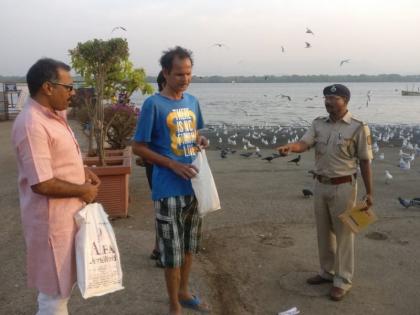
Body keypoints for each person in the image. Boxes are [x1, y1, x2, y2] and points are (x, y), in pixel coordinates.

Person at [11, 58, 100, 314]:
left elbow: (55, 161)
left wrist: (82, 170)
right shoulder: (32, 125)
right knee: (54, 295)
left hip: (67, 219)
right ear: (48, 87)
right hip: (51, 224)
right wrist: (83, 190)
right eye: (68, 87)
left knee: (62, 289)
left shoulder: (54, 117)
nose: (72, 93)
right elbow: (42, 182)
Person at [132, 46, 210, 315]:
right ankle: (174, 305)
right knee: (171, 253)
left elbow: (194, 132)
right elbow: (138, 147)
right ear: (165, 73)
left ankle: (185, 291)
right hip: (167, 190)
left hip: (195, 187)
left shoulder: (192, 101)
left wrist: (200, 140)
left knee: (190, 246)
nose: (185, 78)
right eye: (179, 74)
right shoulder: (153, 104)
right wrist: (171, 164)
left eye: (188, 73)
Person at [277, 84, 373, 301]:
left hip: (344, 186)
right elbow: (304, 143)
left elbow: (365, 161)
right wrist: (290, 147)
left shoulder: (358, 127)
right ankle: (327, 272)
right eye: (326, 98)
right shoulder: (318, 124)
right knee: (323, 232)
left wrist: (370, 193)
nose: (328, 102)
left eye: (334, 98)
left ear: (345, 100)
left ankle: (343, 281)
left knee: (344, 235)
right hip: (320, 185)